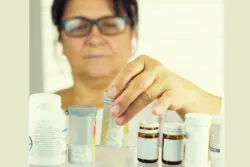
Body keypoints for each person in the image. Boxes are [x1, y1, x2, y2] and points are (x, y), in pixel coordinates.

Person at [51, 0, 222, 145]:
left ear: (132, 34)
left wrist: (192, 97)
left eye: (111, 24)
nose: (95, 38)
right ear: (60, 37)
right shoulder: (37, 113)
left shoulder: (168, 108)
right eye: (79, 26)